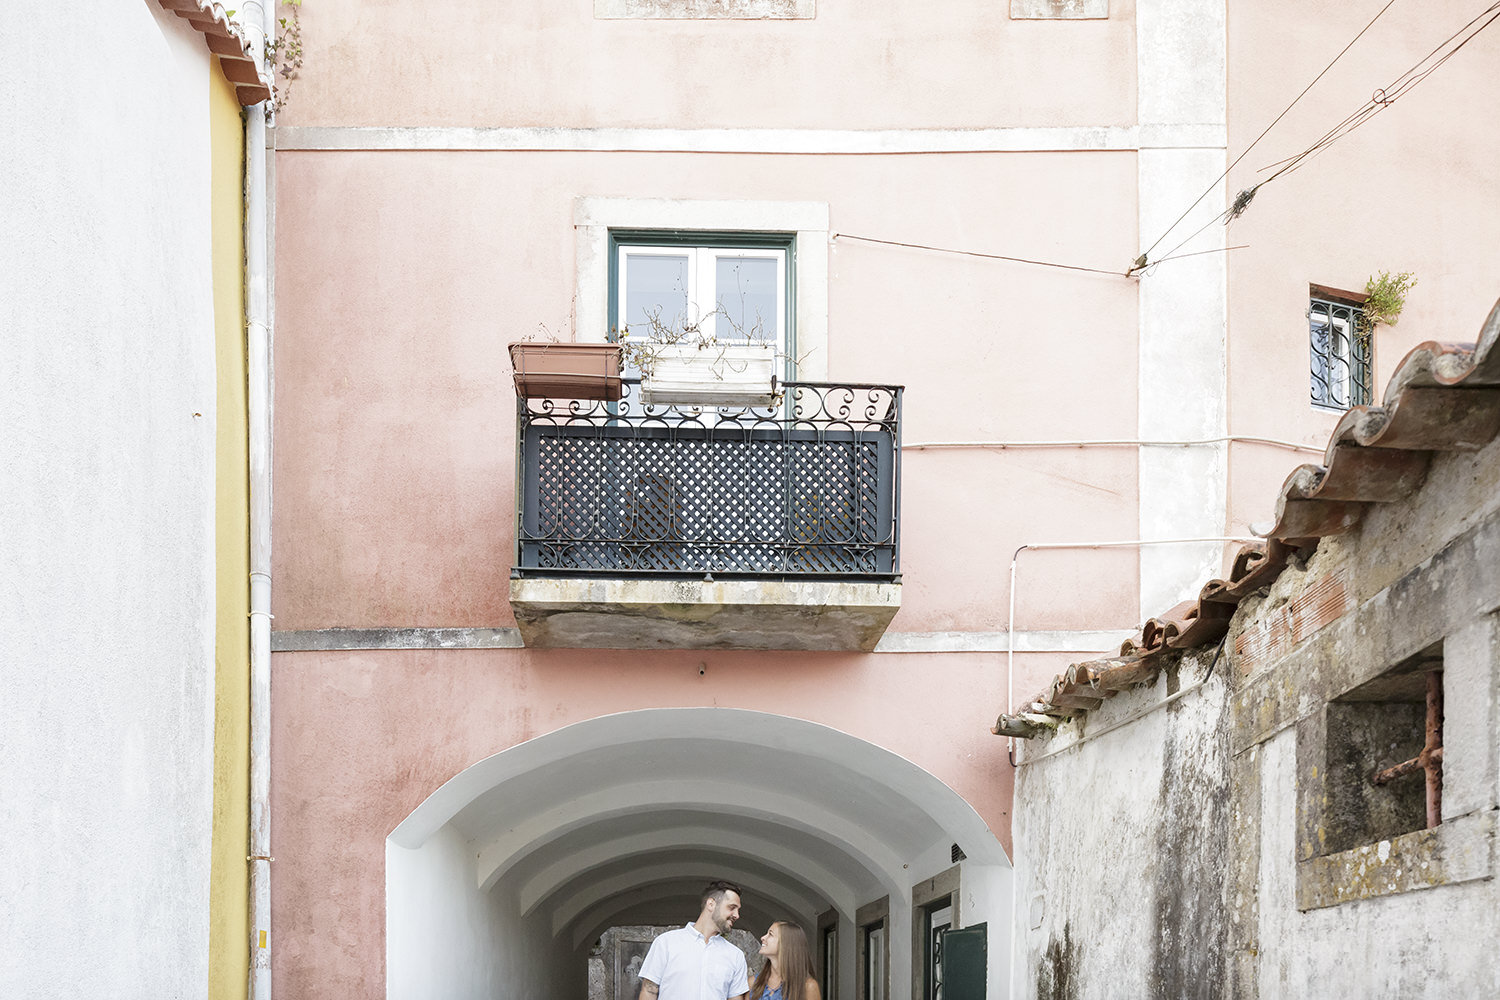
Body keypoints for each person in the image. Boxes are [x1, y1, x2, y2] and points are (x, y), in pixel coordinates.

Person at [637, 880, 750, 1000]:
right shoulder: (666, 943)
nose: (737, 915)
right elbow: (649, 992)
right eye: (732, 907)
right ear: (711, 904)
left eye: (738, 910)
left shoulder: (735, 955)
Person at [748, 922, 821, 1000]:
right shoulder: (753, 983)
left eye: (770, 934)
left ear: (786, 944)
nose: (763, 937)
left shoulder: (808, 987)